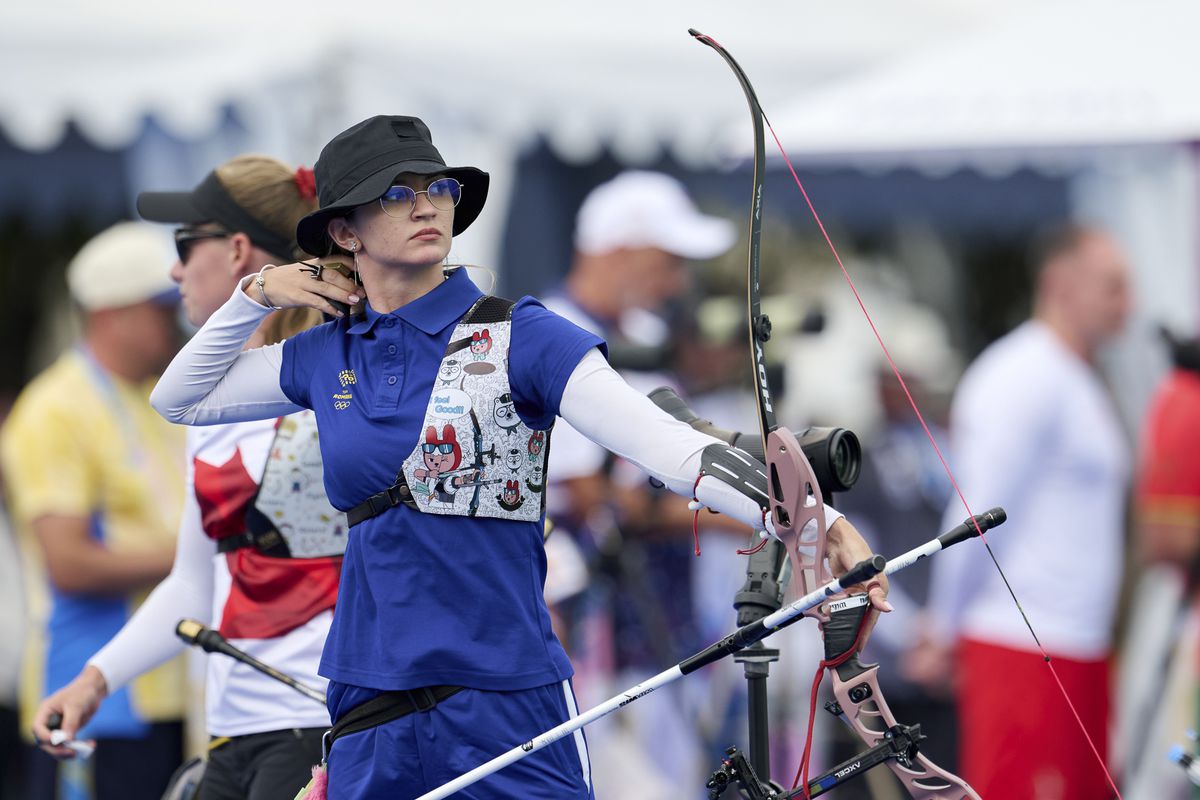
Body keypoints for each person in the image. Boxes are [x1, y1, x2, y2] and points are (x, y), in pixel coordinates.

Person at [143, 115, 888, 798]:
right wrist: (255, 293)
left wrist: (814, 523)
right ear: (344, 231)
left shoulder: (524, 334)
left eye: (437, 188)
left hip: (505, 700)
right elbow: (181, 398)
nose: (427, 204)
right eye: (395, 195)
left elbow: (670, 448)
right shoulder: (325, 352)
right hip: (368, 699)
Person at [31, 155, 347, 800]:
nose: (174, 271)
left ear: (235, 251)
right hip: (232, 730)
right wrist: (96, 678)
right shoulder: (204, 400)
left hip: (323, 725)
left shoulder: (343, 377)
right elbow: (195, 580)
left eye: (184, 245)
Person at [913, 223, 1132, 798]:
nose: (1127, 304)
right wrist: (943, 625)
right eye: (1112, 286)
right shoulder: (1020, 374)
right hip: (1022, 644)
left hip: (1078, 643)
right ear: (1060, 283)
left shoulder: (1079, 376)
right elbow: (975, 512)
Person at [0, 222, 188, 800]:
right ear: (113, 313)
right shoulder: (53, 408)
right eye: (162, 307)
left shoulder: (157, 396)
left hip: (169, 691)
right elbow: (70, 564)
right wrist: (206, 556)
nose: (177, 320)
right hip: (93, 700)